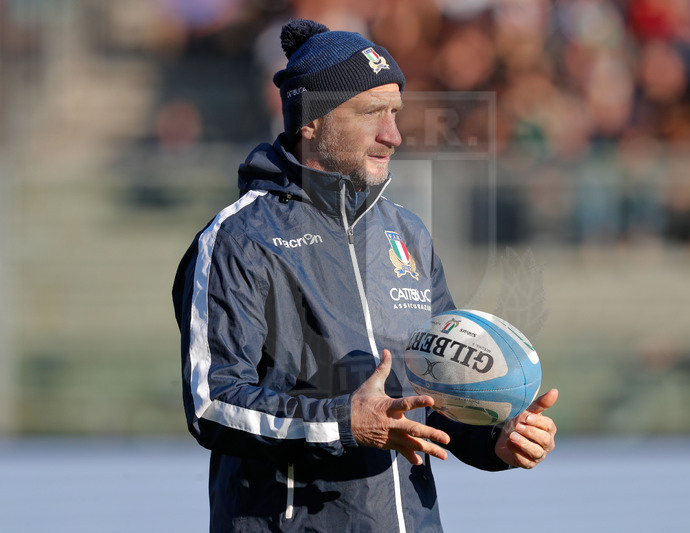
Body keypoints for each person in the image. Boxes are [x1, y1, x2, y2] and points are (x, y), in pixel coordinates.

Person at [172, 19, 558, 533]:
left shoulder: (408, 233)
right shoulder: (240, 239)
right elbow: (212, 403)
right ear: (310, 119)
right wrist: (345, 424)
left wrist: (497, 438)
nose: (392, 134)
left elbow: (434, 394)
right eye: (371, 113)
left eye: (395, 112)